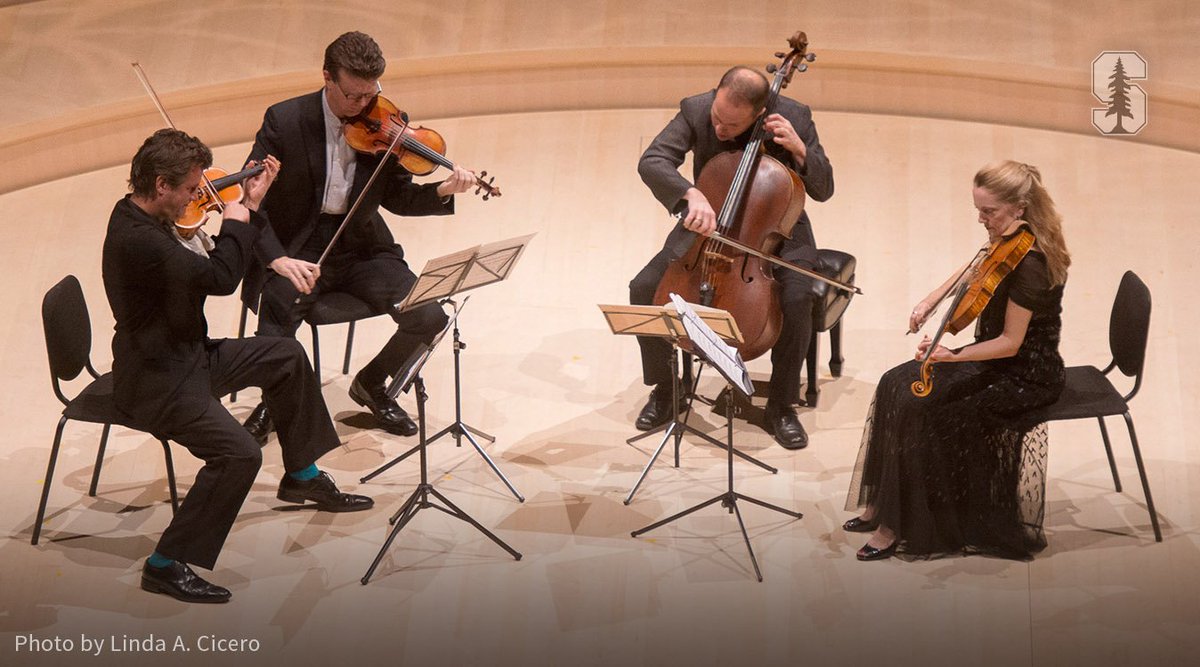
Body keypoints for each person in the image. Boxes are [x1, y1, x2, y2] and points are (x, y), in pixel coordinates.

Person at [103, 129, 374, 604]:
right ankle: (164, 564)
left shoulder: (140, 211)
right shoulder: (139, 240)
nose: (199, 196)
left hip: (188, 354)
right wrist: (238, 213)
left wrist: (247, 204)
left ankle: (302, 476)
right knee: (240, 455)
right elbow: (222, 278)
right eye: (191, 188)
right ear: (162, 185)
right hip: (157, 379)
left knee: (285, 356)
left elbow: (202, 258)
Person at [240, 31, 476, 442]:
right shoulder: (285, 120)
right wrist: (276, 258)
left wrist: (442, 190)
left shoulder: (386, 120)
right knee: (278, 310)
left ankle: (372, 383)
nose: (363, 105)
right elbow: (250, 199)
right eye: (353, 95)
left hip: (362, 246)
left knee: (429, 315)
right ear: (327, 78)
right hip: (299, 245)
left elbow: (398, 197)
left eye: (371, 93)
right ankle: (274, 401)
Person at [843, 160, 1071, 561]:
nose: (982, 219)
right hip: (994, 359)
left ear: (1019, 207)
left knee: (919, 406)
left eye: (989, 212)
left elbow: (1010, 343)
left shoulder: (1032, 264)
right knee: (893, 382)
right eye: (978, 210)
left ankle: (896, 525)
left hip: (1024, 374)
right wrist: (932, 299)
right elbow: (976, 266)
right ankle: (884, 503)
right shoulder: (1009, 235)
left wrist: (951, 355)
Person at [631, 65, 834, 449]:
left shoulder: (794, 116)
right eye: (717, 119)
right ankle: (667, 389)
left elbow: (824, 189)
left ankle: (781, 406)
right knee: (643, 288)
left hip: (777, 228)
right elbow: (652, 160)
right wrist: (690, 194)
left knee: (797, 298)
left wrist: (800, 150)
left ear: (759, 113)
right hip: (708, 227)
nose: (720, 129)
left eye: (732, 125)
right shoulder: (697, 108)